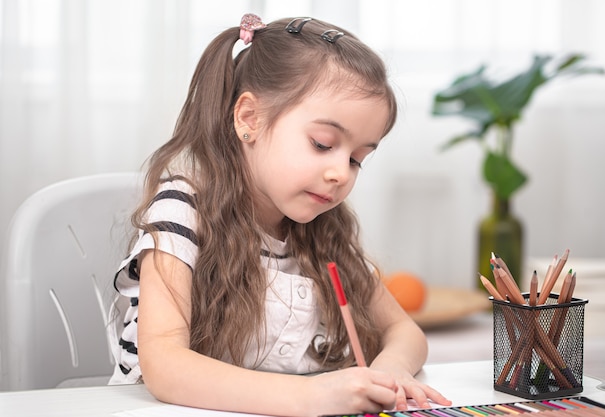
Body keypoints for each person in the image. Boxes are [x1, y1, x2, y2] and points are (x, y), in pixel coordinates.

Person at [109, 14, 452, 417]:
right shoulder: (182, 211)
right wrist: (311, 396)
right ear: (249, 119)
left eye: (358, 159)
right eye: (323, 144)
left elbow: (405, 332)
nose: (341, 173)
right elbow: (164, 366)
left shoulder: (323, 231)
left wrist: (389, 372)